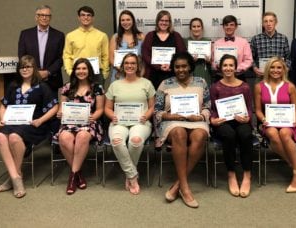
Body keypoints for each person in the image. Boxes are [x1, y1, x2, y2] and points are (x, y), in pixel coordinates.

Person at [0, 55, 58, 198]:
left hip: (33, 124)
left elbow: (54, 107)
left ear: (34, 68)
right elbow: (3, 106)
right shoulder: (13, 85)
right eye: (22, 67)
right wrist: (2, 119)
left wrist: (40, 120)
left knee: (14, 138)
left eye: (28, 66)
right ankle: (16, 176)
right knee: (0, 136)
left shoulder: (42, 86)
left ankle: (14, 178)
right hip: (13, 122)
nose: (25, 69)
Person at [155, 52, 210, 208]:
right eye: (177, 67)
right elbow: (157, 111)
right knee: (179, 133)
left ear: (190, 66)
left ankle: (178, 184)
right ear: (173, 68)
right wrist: (169, 115)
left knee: (200, 135)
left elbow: (207, 107)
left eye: (184, 66)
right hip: (172, 122)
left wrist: (200, 118)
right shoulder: (165, 84)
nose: (181, 70)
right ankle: (185, 188)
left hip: (196, 121)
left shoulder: (201, 82)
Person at [255, 57, 296, 193]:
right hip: (269, 122)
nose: (275, 70)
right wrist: (263, 119)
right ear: (268, 69)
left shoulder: (290, 86)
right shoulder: (259, 86)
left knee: (284, 134)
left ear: (283, 70)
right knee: (272, 134)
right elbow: (257, 110)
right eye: (272, 67)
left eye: (279, 68)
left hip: (289, 122)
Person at [104, 53, 155, 195]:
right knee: (116, 141)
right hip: (119, 122)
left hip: (141, 122)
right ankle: (132, 175)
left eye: (133, 63)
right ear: (122, 66)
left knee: (136, 140)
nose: (130, 66)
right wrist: (111, 115)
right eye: (127, 63)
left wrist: (146, 115)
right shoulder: (115, 85)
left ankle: (128, 174)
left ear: (138, 66)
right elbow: (107, 108)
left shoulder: (146, 83)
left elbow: (152, 107)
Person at [56, 58, 104, 195]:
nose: (81, 71)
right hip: (69, 122)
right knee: (64, 138)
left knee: (82, 136)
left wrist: (94, 116)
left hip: (90, 122)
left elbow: (100, 109)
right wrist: (60, 113)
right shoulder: (67, 87)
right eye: (78, 69)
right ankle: (78, 173)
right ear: (74, 71)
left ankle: (72, 178)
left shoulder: (97, 87)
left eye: (84, 68)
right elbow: (61, 108)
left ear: (89, 71)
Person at [210, 54, 253, 197]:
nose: (228, 68)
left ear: (236, 68)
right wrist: (213, 120)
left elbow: (249, 108)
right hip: (222, 122)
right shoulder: (215, 87)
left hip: (240, 121)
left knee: (245, 134)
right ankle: (231, 173)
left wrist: (247, 118)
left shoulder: (245, 87)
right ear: (221, 68)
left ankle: (247, 174)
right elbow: (213, 110)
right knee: (229, 135)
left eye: (231, 65)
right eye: (225, 65)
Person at [18, 5, 65, 96]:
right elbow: (22, 56)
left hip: (52, 79)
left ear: (50, 18)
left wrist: (47, 72)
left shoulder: (59, 35)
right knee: (33, 107)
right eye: (41, 15)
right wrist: (34, 71)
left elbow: (61, 58)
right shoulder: (25, 34)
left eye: (47, 15)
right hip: (30, 78)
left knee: (51, 108)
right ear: (36, 17)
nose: (44, 17)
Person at [63, 6, 109, 85]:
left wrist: (104, 73)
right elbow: (67, 55)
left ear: (92, 18)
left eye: (88, 15)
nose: (86, 17)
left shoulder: (102, 36)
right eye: (83, 15)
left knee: (98, 97)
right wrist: (70, 71)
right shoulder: (70, 36)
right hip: (77, 73)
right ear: (79, 17)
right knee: (77, 97)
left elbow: (106, 56)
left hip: (96, 74)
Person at [142, 10, 186, 89]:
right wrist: (159, 66)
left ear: (170, 22)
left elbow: (182, 54)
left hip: (172, 73)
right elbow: (145, 55)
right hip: (153, 74)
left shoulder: (176, 36)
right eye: (161, 20)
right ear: (157, 21)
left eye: (166, 21)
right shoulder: (150, 35)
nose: (164, 23)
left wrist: (171, 65)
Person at [250, 12, 290, 82]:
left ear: (276, 22)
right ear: (262, 24)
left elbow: (288, 57)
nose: (268, 24)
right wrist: (255, 68)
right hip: (262, 77)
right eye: (265, 21)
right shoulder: (256, 39)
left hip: (279, 77)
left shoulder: (283, 38)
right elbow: (250, 58)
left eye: (271, 21)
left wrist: (286, 68)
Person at [212, 15, 253, 81]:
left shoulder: (244, 42)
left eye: (231, 25)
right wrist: (216, 66)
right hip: (220, 78)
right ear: (223, 27)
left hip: (238, 77)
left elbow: (249, 60)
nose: (229, 27)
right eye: (226, 25)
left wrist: (235, 69)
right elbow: (213, 61)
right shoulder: (216, 43)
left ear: (236, 26)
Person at [109, 10, 145, 82]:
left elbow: (144, 58)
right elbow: (111, 58)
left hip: (136, 74)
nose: (125, 22)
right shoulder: (115, 37)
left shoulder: (141, 36)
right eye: (123, 20)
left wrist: (141, 73)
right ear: (120, 22)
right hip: (119, 74)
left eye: (128, 20)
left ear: (133, 21)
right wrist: (123, 69)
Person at [184, 17, 212, 86]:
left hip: (204, 73)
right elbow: (180, 60)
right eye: (194, 26)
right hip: (189, 73)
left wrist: (209, 61)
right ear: (190, 29)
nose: (196, 29)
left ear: (202, 28)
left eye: (198, 26)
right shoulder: (184, 41)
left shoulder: (208, 41)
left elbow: (213, 62)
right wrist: (190, 61)